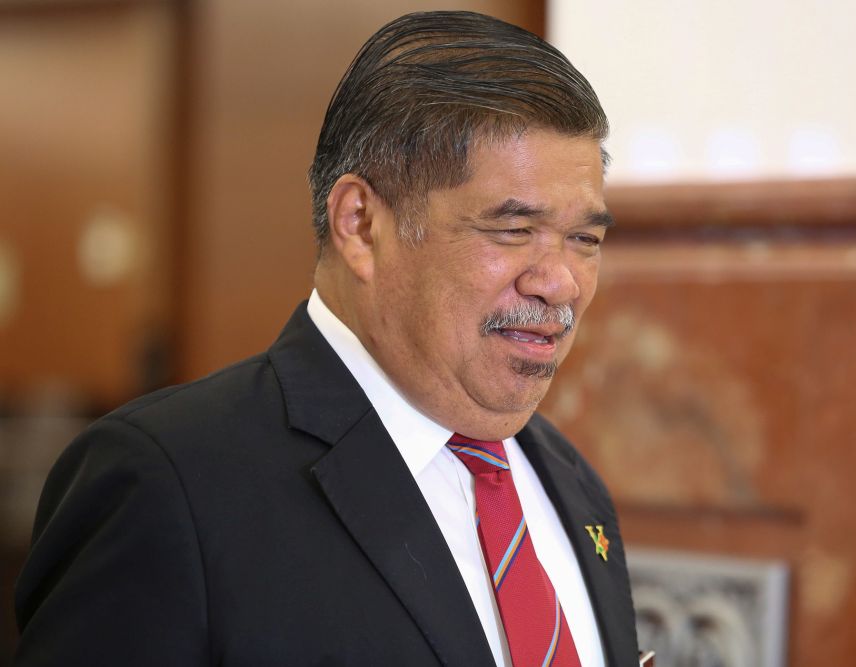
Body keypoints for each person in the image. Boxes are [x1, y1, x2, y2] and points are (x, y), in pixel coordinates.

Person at [14, 10, 638, 666]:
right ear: (361, 223)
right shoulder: (168, 487)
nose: (560, 282)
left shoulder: (572, 483)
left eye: (585, 240)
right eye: (513, 230)